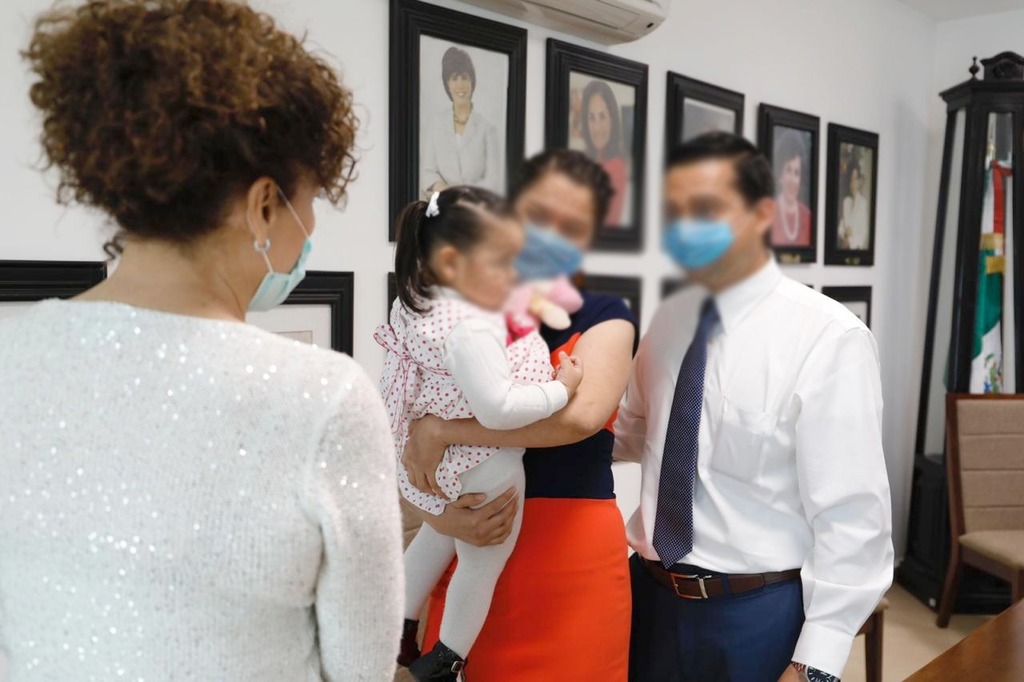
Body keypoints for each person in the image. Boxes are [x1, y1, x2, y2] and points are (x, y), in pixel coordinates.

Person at [0, 1, 403, 680]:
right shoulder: (323, 400)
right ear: (264, 205)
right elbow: (361, 669)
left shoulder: (12, 359)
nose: (309, 226)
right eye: (309, 201)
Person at [616, 132, 893, 682]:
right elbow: (630, 431)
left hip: (757, 614)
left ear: (763, 214)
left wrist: (814, 665)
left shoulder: (828, 338)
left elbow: (853, 518)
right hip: (649, 602)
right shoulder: (667, 321)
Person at [402, 149, 637, 680]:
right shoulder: (463, 311)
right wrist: (441, 516)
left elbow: (578, 419)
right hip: (474, 529)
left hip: (568, 556)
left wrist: (442, 431)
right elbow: (411, 418)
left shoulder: (607, 316)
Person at [377, 186, 584, 679]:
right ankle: (445, 660)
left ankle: (396, 629)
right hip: (483, 460)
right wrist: (561, 390)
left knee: (436, 537)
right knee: (483, 560)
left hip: (443, 459)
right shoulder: (470, 325)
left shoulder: (418, 301)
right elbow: (498, 408)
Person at [421, 47, 502, 197]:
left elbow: (493, 181)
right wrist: (448, 192)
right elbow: (427, 173)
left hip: (477, 208)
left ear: (472, 81)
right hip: (443, 206)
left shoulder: (488, 129)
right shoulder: (436, 125)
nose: (460, 85)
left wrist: (467, 197)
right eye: (454, 78)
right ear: (447, 84)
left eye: (464, 77)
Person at [581, 79, 629, 226]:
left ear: (612, 119)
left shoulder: (616, 167)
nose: (597, 127)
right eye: (592, 118)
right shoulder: (588, 161)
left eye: (602, 116)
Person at [771, 129, 813, 247]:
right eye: (788, 170)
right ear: (780, 175)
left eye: (797, 173)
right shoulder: (770, 213)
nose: (792, 180)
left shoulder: (807, 216)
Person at [839, 159, 870, 250]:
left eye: (855, 179)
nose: (853, 183)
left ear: (859, 181)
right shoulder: (846, 201)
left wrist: (849, 241)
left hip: (855, 249)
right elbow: (840, 228)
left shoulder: (863, 203)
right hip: (843, 247)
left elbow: (863, 233)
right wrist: (845, 234)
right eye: (851, 179)